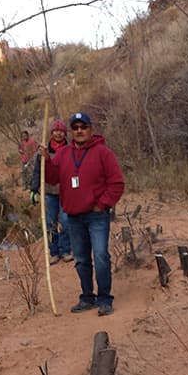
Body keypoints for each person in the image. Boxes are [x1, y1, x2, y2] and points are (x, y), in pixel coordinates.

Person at [42, 111, 124, 315]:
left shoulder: (103, 153)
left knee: (101, 256)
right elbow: (52, 179)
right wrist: (45, 161)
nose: (79, 131)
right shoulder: (63, 153)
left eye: (83, 127)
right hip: (74, 217)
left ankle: (104, 299)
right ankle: (87, 297)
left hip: (96, 216)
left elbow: (117, 183)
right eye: (75, 127)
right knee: (81, 259)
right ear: (71, 131)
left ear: (90, 130)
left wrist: (103, 203)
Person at [30, 119, 73, 265]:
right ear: (51, 133)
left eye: (61, 131)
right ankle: (54, 252)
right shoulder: (43, 151)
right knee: (50, 224)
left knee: (66, 222)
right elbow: (37, 172)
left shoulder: (70, 149)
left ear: (65, 133)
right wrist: (34, 190)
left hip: (66, 192)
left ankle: (66, 250)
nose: (59, 133)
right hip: (49, 192)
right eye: (56, 131)